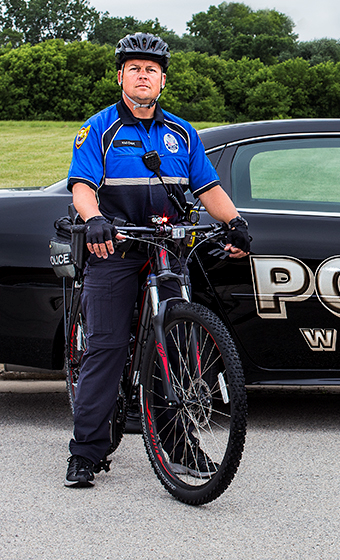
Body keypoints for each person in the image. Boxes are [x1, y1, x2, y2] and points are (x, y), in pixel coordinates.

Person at [64, 33, 251, 488]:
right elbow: (82, 186)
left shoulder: (182, 133)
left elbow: (207, 188)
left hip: (168, 249)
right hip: (117, 248)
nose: (142, 75)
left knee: (180, 347)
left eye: (150, 69)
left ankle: (179, 445)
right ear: (121, 77)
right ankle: (86, 452)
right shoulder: (99, 129)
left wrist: (236, 222)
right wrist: (94, 220)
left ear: (162, 80)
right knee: (106, 349)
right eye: (134, 68)